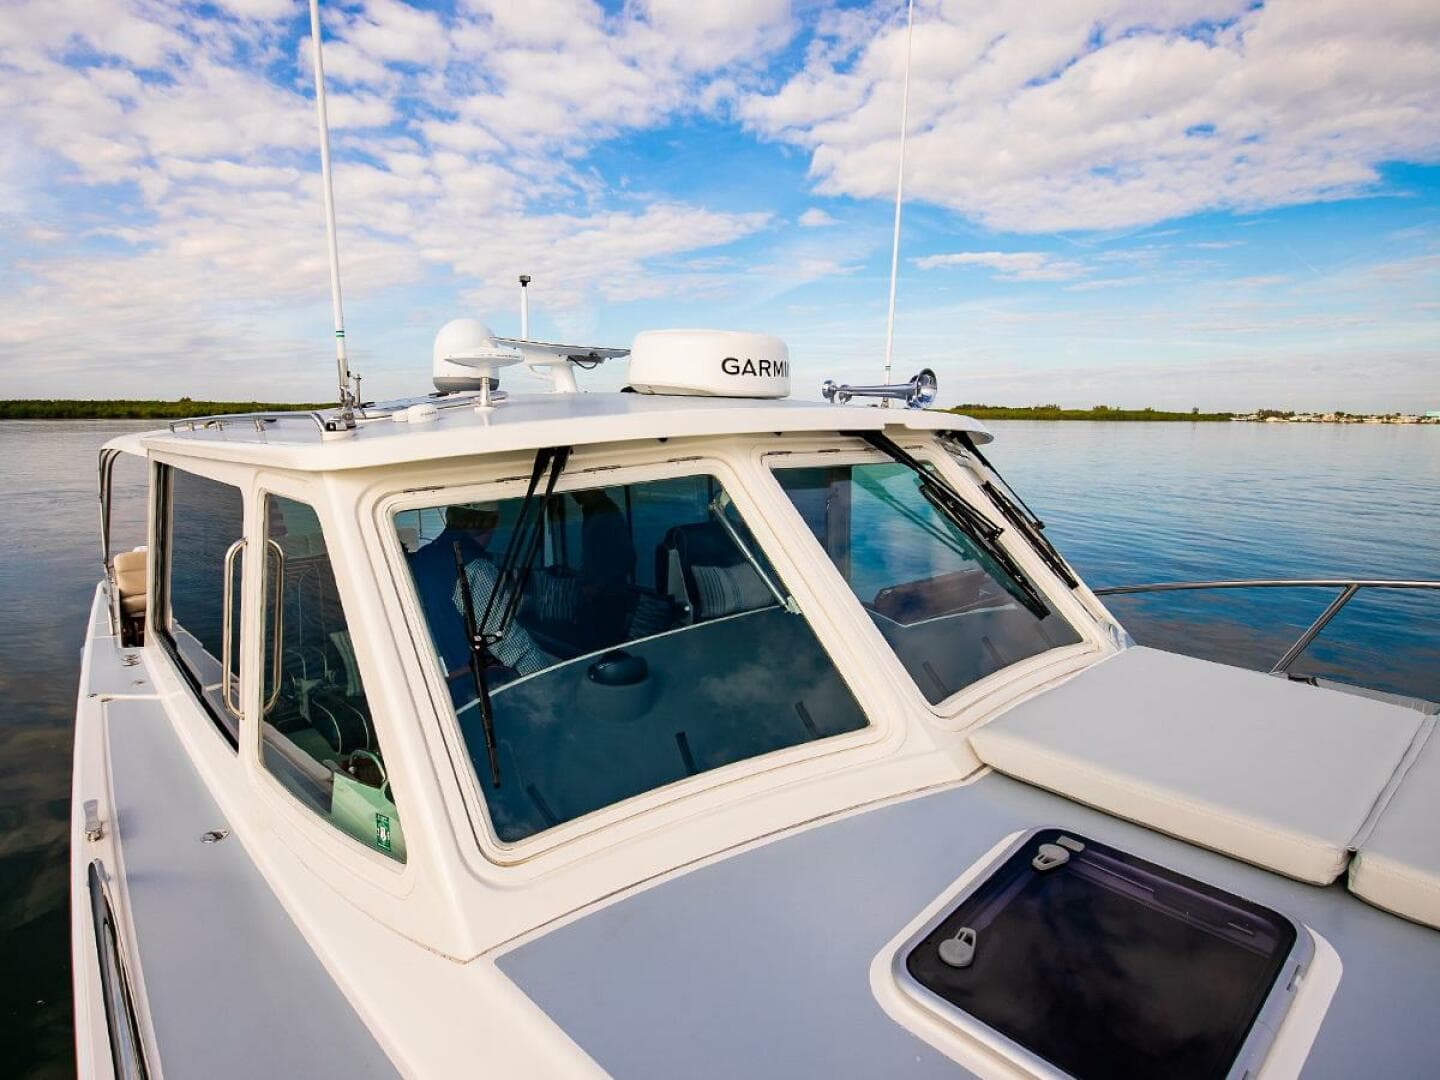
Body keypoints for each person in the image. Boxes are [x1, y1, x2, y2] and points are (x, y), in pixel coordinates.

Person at [407, 505, 552, 704]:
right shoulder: (473, 567)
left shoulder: (421, 558)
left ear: (449, 515)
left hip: (434, 688)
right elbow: (508, 644)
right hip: (472, 691)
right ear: (493, 523)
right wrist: (552, 684)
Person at [572, 487, 635, 648]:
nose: (574, 495)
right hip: (596, 596)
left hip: (608, 597)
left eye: (578, 490)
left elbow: (627, 558)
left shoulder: (606, 516)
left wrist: (597, 587)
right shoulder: (592, 511)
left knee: (604, 647)